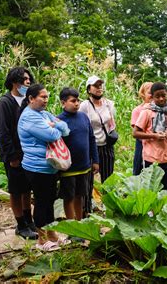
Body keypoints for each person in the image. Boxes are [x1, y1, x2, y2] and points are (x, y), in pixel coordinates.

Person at [18, 84, 71, 251]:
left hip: (49, 167)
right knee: (41, 202)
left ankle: (52, 235)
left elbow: (65, 129)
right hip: (36, 167)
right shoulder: (29, 117)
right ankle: (41, 240)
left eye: (47, 97)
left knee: (49, 201)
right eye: (42, 97)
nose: (46, 100)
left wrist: (55, 125)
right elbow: (51, 134)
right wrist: (55, 128)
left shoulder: (43, 114)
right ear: (31, 99)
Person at [0, 67, 37, 239]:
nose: (28, 82)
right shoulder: (4, 103)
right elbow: (2, 132)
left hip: (28, 153)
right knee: (16, 190)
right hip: (14, 155)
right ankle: (20, 224)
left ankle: (29, 219)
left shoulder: (27, 101)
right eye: (24, 79)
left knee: (27, 189)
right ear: (14, 82)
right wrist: (12, 156)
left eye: (29, 79)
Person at [133, 82, 167, 191]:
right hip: (151, 158)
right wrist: (154, 135)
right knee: (151, 191)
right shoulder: (147, 112)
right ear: (152, 97)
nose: (161, 99)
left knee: (166, 190)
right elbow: (135, 133)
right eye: (157, 96)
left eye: (163, 95)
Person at [58, 87, 99, 221]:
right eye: (73, 101)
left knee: (80, 196)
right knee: (68, 197)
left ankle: (79, 222)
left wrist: (95, 160)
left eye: (78, 101)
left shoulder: (83, 117)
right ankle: (71, 226)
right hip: (68, 168)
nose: (77, 104)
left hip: (84, 167)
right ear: (63, 103)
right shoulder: (59, 121)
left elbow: (91, 139)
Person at [79, 76, 117, 182]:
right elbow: (82, 125)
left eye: (100, 85)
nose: (99, 88)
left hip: (107, 145)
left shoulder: (109, 104)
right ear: (89, 89)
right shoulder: (84, 106)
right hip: (92, 146)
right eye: (95, 86)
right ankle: (88, 198)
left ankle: (106, 198)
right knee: (89, 178)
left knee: (108, 178)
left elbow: (112, 123)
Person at [131, 82, 153, 175]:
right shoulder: (137, 110)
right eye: (149, 92)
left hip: (156, 145)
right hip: (142, 143)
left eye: (153, 92)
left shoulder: (160, 109)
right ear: (142, 94)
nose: (152, 95)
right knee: (140, 168)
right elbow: (136, 132)